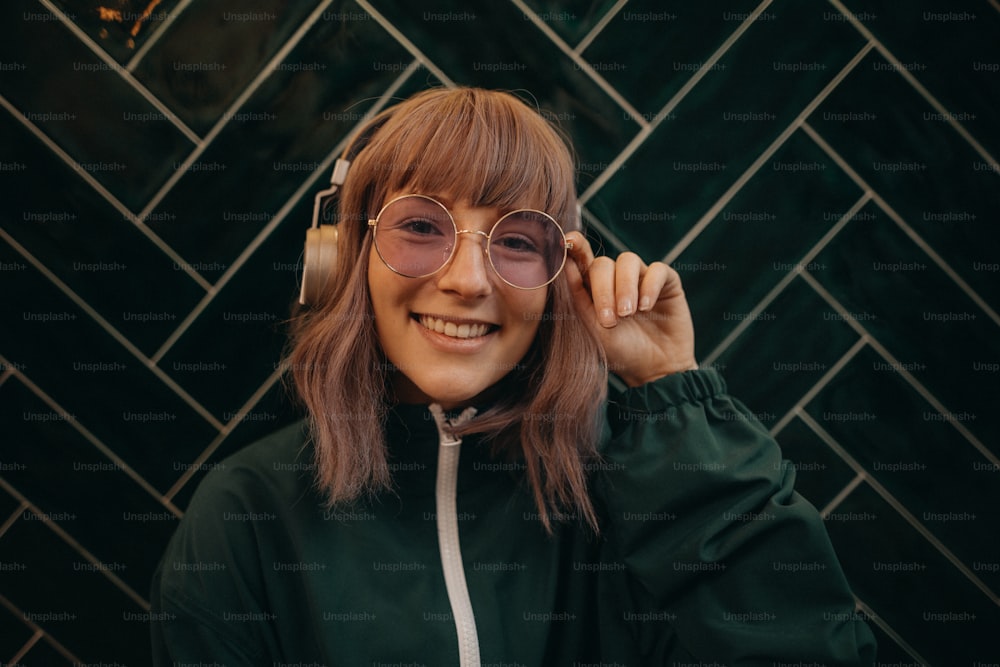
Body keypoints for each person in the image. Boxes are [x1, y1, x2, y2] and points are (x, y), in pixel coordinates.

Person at [150, 87, 877, 665]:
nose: (468, 280)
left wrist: (671, 394)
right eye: (421, 226)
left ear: (560, 278)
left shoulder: (641, 493)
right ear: (345, 259)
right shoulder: (245, 518)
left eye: (517, 240)